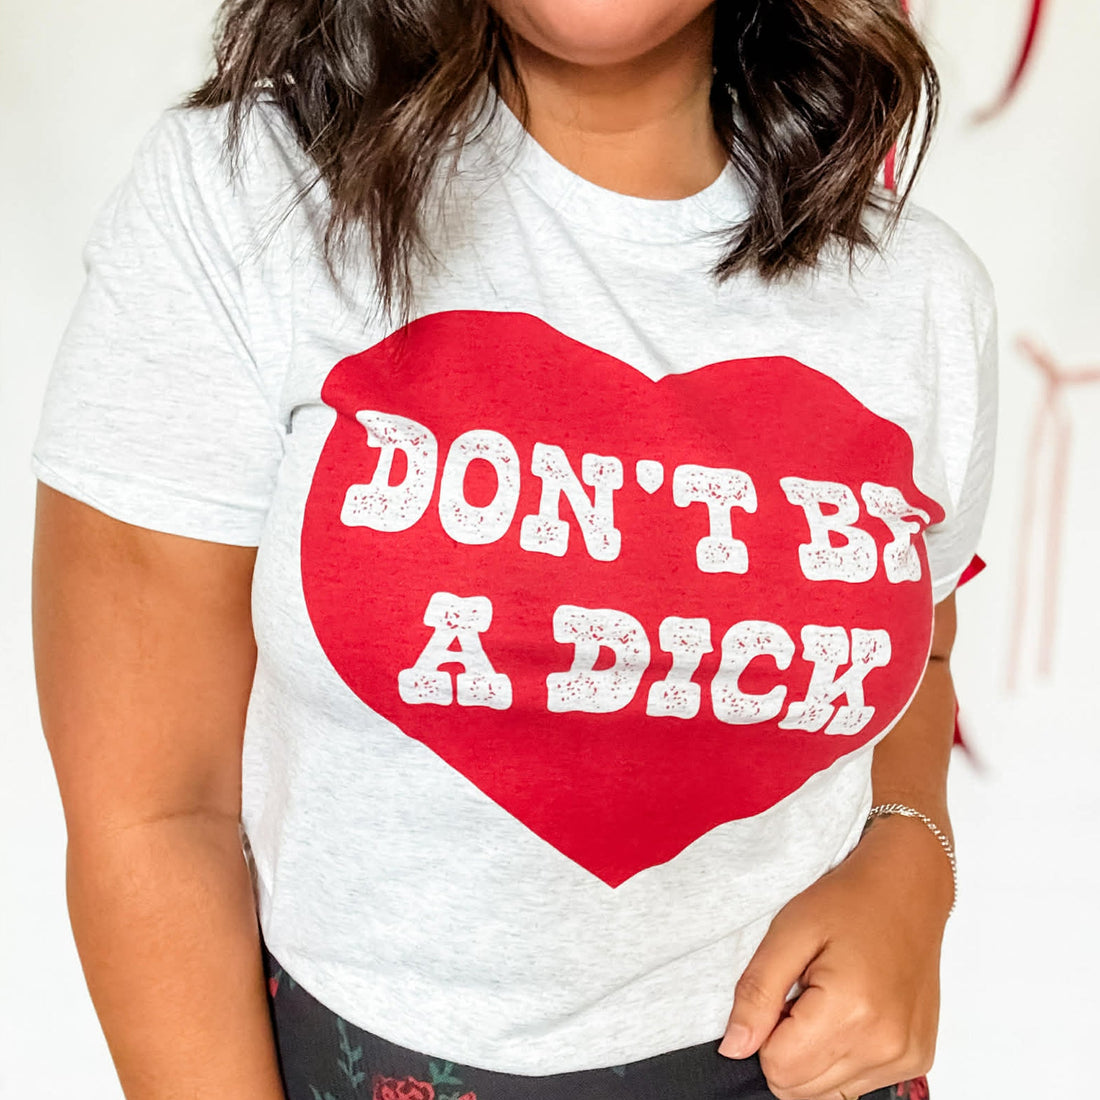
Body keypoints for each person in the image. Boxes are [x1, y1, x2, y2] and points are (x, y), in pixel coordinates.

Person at [29, 1, 996, 1098]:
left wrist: (910, 853)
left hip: (805, 1067)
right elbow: (154, 812)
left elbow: (914, 640)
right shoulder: (248, 199)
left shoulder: (918, 291)